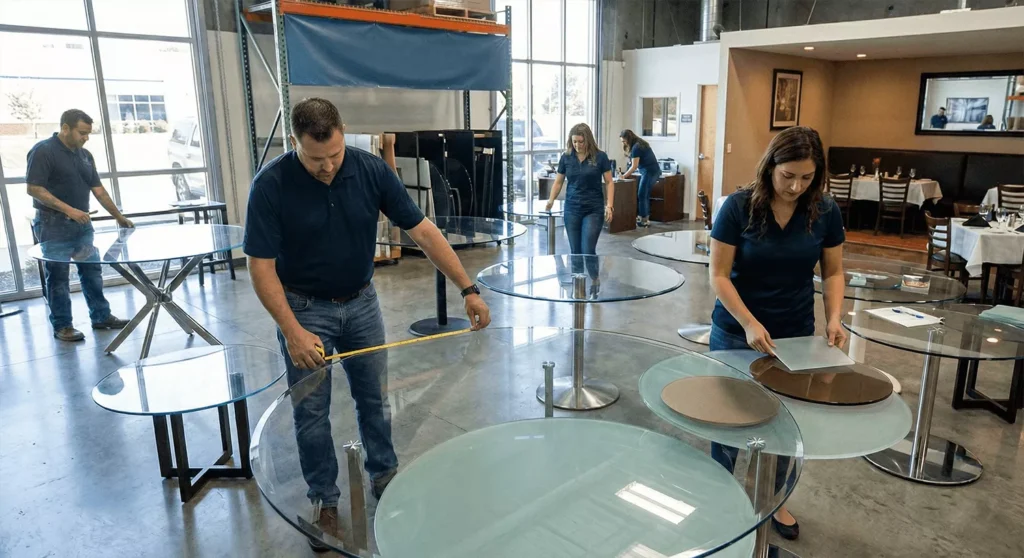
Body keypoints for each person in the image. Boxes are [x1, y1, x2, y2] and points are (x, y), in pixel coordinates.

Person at [243, 97, 490, 551]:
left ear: (343, 133)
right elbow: (260, 267)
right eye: (316, 158)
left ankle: (385, 475)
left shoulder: (370, 170)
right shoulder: (272, 184)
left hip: (361, 303)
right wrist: (294, 332)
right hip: (304, 308)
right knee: (312, 411)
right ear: (294, 142)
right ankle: (324, 499)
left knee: (374, 398)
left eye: (335, 154)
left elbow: (423, 230)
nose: (328, 166)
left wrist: (467, 288)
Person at [708, 126, 847, 542]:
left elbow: (834, 271)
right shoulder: (738, 207)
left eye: (806, 178)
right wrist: (749, 321)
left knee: (787, 423)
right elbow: (718, 275)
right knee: (728, 419)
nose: (795, 186)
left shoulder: (823, 209)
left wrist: (835, 318)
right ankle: (720, 492)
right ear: (770, 167)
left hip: (795, 333)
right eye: (787, 176)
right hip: (736, 330)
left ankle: (774, 498)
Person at [26, 109, 133, 342]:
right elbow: (34, 188)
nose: (86, 138)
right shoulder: (44, 151)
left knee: (92, 272)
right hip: (52, 225)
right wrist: (69, 210)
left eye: (88, 134)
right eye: (82, 133)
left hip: (82, 226)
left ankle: (101, 317)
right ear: (65, 128)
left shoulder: (84, 155)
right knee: (58, 278)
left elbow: (98, 190)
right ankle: (63, 326)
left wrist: (118, 216)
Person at [544, 123, 614, 257]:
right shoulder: (566, 157)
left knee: (588, 250)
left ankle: (594, 278)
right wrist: (551, 200)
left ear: (588, 140)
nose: (577, 145)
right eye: (574, 141)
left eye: (580, 142)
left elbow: (609, 182)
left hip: (593, 209)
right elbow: (558, 182)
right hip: (572, 208)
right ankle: (577, 278)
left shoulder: (600, 157)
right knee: (575, 252)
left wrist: (609, 205)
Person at [620, 129, 661, 227]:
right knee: (644, 194)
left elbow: (634, 166)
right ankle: (644, 217)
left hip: (649, 172)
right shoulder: (640, 143)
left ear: (628, 139)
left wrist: (623, 176)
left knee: (642, 194)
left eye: (624, 141)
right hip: (653, 171)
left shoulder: (636, 148)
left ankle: (643, 220)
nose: (623, 143)